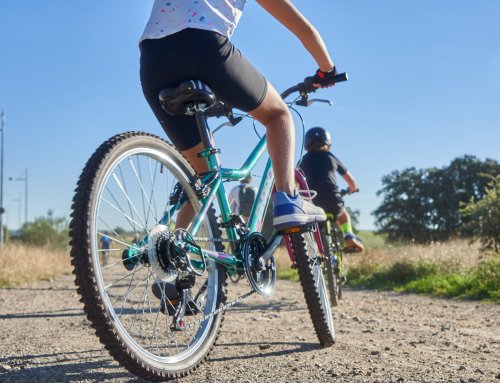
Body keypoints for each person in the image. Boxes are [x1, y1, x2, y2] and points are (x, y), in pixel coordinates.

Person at [139, 0, 342, 231]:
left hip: (152, 61)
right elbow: (304, 30)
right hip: (204, 46)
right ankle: (288, 200)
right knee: (278, 115)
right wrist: (327, 70)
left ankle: (176, 246)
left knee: (203, 177)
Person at [299, 127, 364, 252]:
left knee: (311, 226)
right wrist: (352, 189)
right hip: (332, 200)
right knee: (343, 213)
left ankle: (315, 250)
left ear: (307, 144)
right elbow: (352, 181)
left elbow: (296, 181)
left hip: (312, 202)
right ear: (327, 142)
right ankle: (348, 234)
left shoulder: (303, 160)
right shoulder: (330, 157)